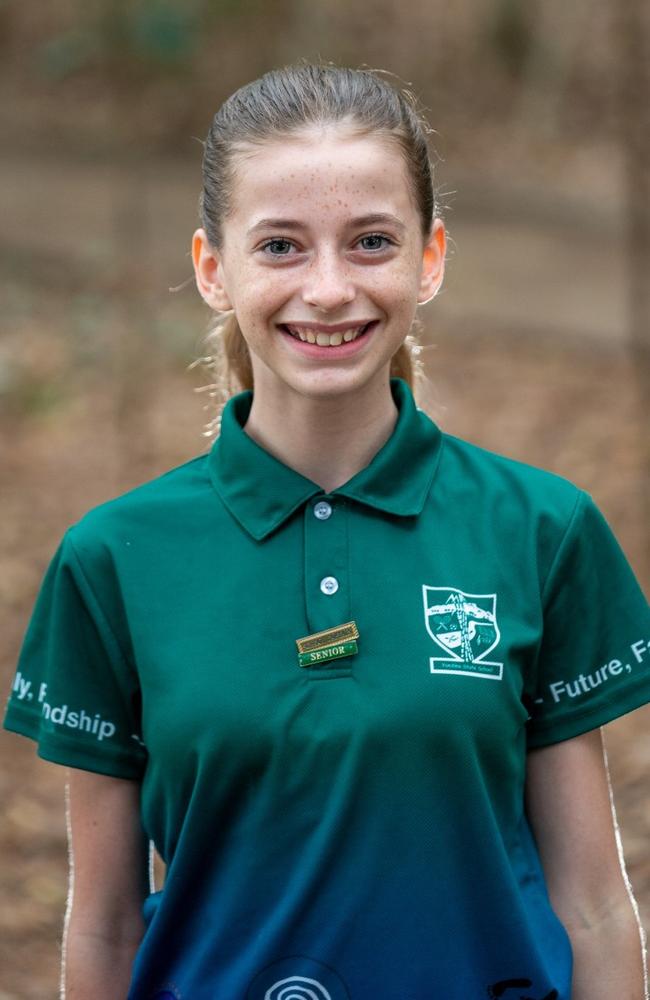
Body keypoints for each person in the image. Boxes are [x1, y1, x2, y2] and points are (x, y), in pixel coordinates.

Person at [3, 62, 650, 1000]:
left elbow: (593, 903)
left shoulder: (542, 529)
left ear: (430, 258)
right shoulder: (113, 560)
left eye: (371, 241)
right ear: (211, 269)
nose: (330, 288)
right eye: (280, 247)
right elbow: (102, 929)